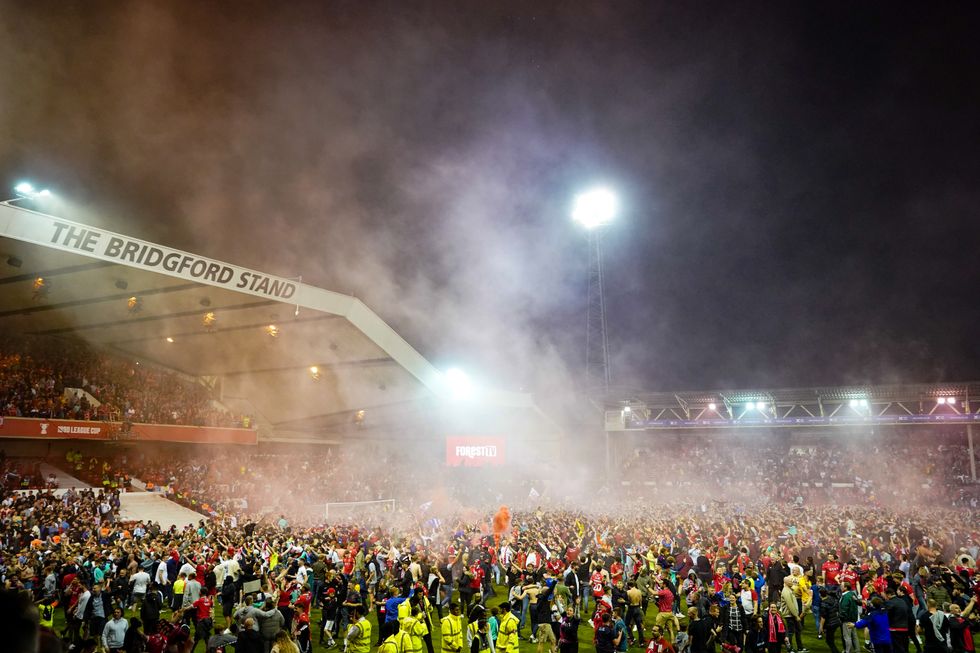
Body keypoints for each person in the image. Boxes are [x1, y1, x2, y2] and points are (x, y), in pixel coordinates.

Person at [818, 588, 842, 653]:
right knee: (830, 639)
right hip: (836, 621)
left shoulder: (823, 604)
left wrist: (821, 627)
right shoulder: (832, 599)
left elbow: (823, 617)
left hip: (830, 624)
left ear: (820, 595)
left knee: (829, 641)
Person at [840, 581, 862, 653]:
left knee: (847, 637)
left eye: (842, 585)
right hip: (853, 618)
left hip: (847, 619)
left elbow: (844, 609)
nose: (840, 586)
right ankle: (857, 650)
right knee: (854, 636)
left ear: (845, 587)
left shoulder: (846, 596)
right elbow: (859, 602)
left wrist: (841, 617)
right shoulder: (852, 594)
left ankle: (848, 651)